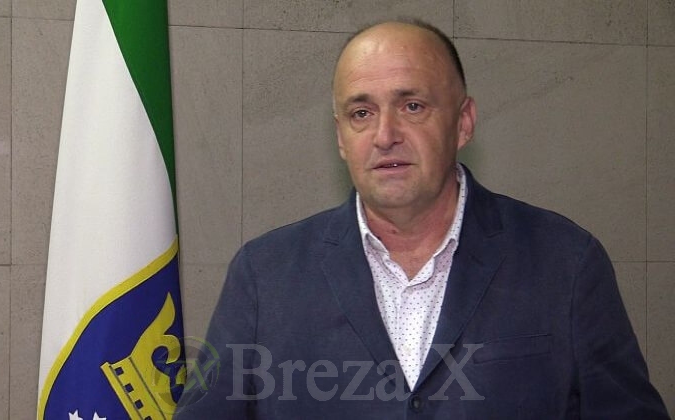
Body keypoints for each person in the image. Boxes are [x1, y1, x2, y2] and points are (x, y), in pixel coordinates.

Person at [174, 20, 669, 419]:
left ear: (463, 122)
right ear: (341, 137)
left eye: (412, 106)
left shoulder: (566, 261)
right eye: (361, 113)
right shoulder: (265, 274)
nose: (385, 134)